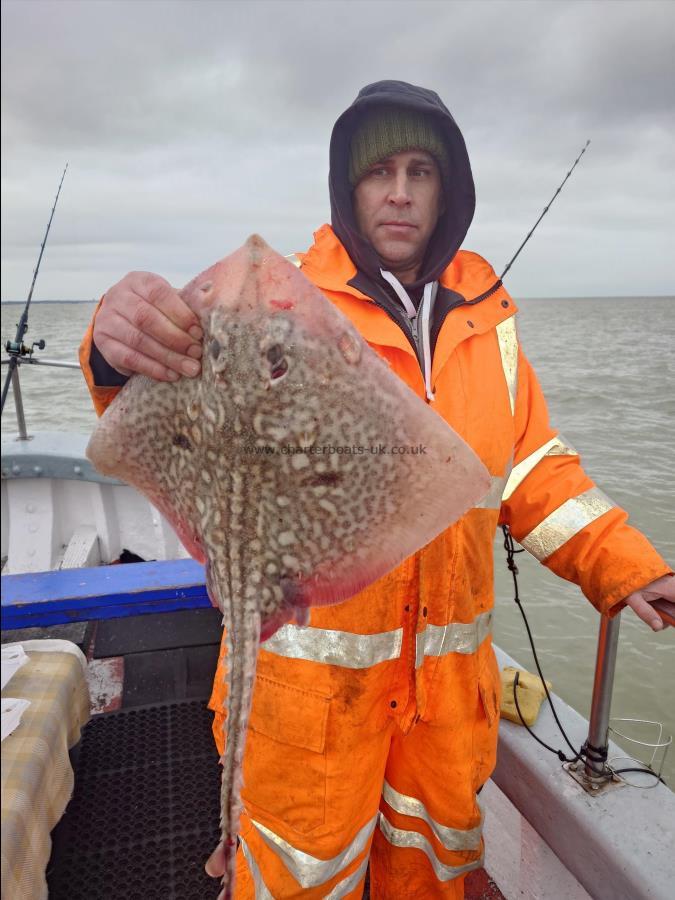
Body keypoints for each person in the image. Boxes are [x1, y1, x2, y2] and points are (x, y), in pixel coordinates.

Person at [80, 80, 673, 899]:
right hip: (303, 704)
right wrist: (114, 342)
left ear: (447, 189)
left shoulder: (487, 323)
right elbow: (156, 392)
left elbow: (533, 471)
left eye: (420, 171)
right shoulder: (285, 300)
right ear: (347, 186)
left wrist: (629, 566)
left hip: (441, 714)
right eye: (378, 172)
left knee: (428, 876)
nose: (398, 192)